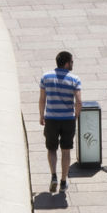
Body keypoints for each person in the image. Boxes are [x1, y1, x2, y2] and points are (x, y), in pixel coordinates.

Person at [39, 50, 82, 194]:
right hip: (68, 120)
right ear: (67, 63)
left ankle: (53, 176)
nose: (73, 64)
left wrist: (41, 115)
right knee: (66, 151)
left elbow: (42, 99)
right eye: (72, 62)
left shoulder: (46, 77)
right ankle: (63, 181)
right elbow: (79, 102)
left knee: (51, 149)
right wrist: (75, 116)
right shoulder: (74, 79)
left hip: (51, 119)